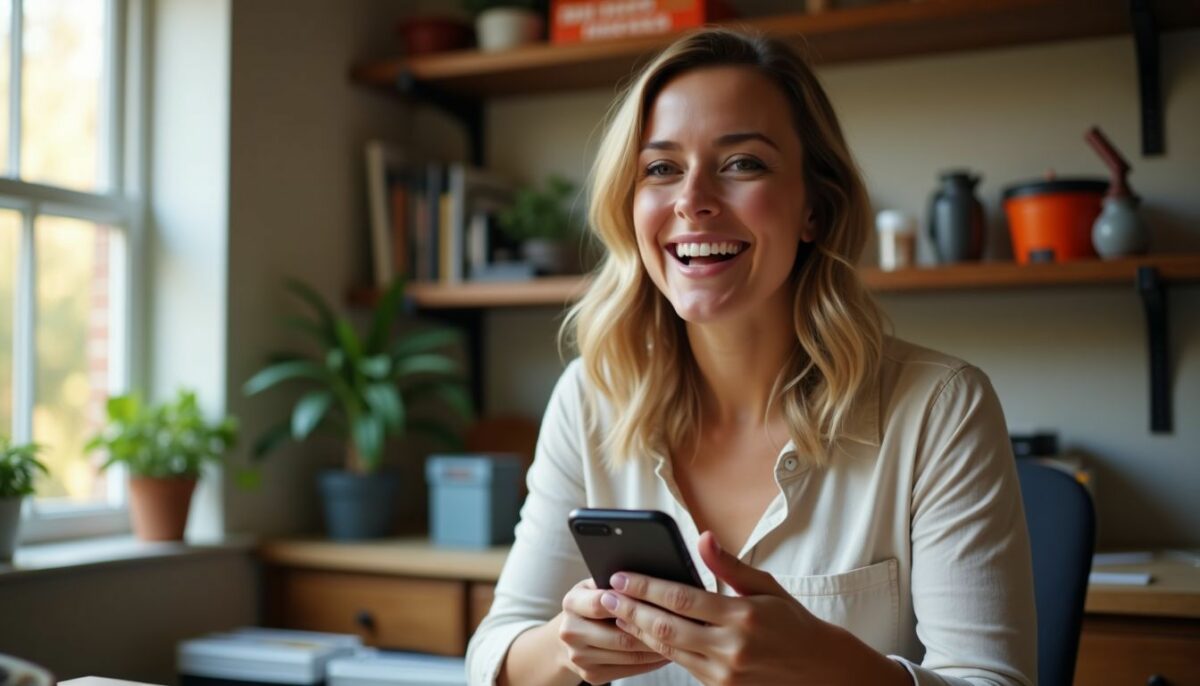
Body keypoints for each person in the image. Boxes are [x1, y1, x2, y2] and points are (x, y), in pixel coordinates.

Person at [466, 27, 1036, 686]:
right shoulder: (591, 396)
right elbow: (492, 656)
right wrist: (565, 649)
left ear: (814, 209)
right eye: (660, 168)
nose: (692, 200)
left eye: (743, 164)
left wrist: (833, 670)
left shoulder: (939, 408)